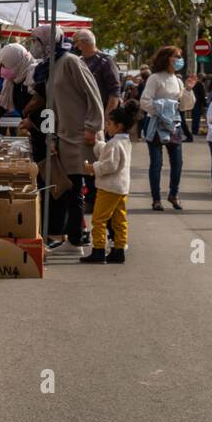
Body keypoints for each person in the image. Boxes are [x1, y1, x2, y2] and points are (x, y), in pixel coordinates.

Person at [27, 24, 103, 249]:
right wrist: (50, 136)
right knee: (71, 188)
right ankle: (75, 237)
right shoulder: (50, 67)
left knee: (79, 188)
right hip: (63, 137)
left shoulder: (70, 61)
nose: (34, 47)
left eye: (37, 41)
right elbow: (50, 106)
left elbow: (93, 94)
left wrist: (92, 127)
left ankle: (80, 238)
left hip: (81, 136)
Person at [81, 100, 140, 263]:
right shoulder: (124, 141)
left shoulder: (114, 144)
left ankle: (99, 249)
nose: (107, 126)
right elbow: (110, 154)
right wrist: (99, 144)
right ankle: (118, 249)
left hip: (108, 187)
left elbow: (109, 165)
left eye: (109, 123)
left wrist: (92, 168)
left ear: (119, 126)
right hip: (121, 187)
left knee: (99, 219)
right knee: (119, 220)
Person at [139, 45, 197, 211]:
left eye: (180, 56)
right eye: (176, 56)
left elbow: (185, 105)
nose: (179, 60)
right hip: (155, 124)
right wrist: (162, 110)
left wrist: (188, 89)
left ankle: (174, 194)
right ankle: (156, 199)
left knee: (177, 162)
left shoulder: (177, 80)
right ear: (166, 58)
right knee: (156, 163)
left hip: (174, 125)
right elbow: (145, 101)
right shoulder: (155, 78)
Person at [72, 28, 119, 213]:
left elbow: (114, 92)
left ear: (85, 42)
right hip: (82, 119)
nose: (75, 46)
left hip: (98, 120)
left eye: (76, 42)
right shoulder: (80, 61)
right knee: (84, 159)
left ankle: (95, 198)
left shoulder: (105, 61)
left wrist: (106, 120)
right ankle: (90, 196)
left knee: (96, 158)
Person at [189, 73, 207, 138]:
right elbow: (202, 94)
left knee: (194, 117)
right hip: (199, 103)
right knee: (197, 117)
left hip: (194, 102)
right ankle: (195, 130)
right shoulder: (200, 84)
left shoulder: (194, 84)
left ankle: (194, 130)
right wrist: (205, 103)